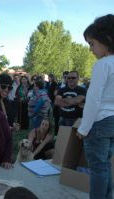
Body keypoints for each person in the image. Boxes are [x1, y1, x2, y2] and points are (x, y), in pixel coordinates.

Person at [77, 14, 114, 199]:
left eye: (92, 43)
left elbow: (93, 100)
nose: (90, 49)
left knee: (98, 168)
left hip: (99, 123)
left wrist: (84, 128)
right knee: (106, 165)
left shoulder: (103, 65)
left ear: (106, 40)